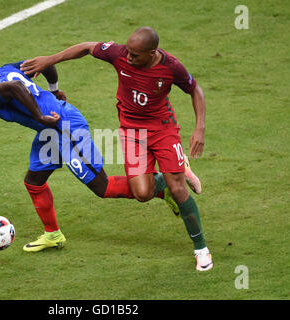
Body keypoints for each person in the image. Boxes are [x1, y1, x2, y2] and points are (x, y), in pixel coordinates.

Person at [21, 27, 212, 271]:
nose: (128, 58)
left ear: (152, 52)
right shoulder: (120, 53)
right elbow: (87, 47)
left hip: (163, 130)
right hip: (132, 133)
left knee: (178, 189)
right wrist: (50, 59)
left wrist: (200, 127)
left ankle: (201, 248)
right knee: (142, 193)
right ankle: (174, 171)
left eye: (135, 55)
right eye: (128, 52)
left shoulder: (171, 67)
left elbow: (195, 89)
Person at [0, 60, 179, 253]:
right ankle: (53, 235)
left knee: (102, 187)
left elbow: (14, 88)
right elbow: (40, 63)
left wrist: (40, 115)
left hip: (65, 127)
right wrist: (53, 90)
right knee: (34, 181)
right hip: (50, 132)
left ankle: (160, 187)